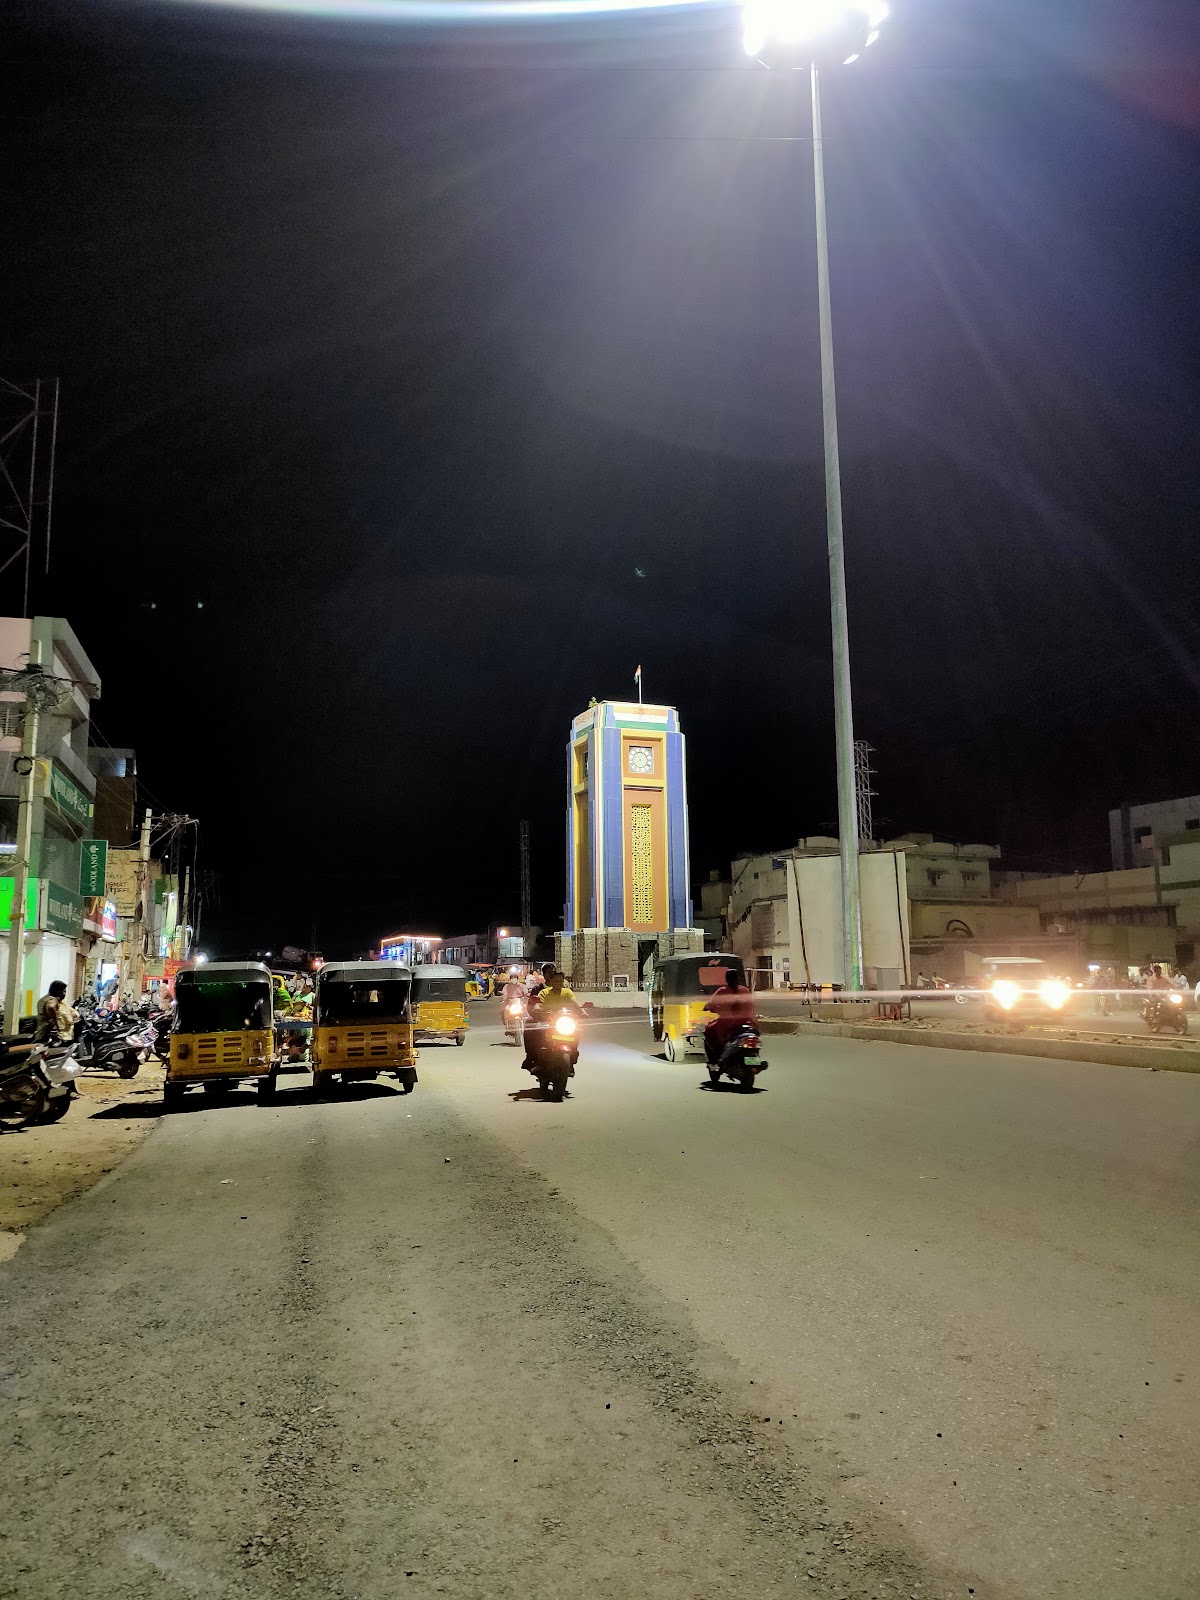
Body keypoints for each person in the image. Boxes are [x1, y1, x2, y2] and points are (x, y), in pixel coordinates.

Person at [702, 968, 757, 1066]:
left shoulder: (722, 991)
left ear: (727, 979)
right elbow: (751, 1005)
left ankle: (715, 1061)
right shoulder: (744, 990)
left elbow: (711, 1004)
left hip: (727, 1025)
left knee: (709, 1030)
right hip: (747, 1023)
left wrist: (707, 1007)